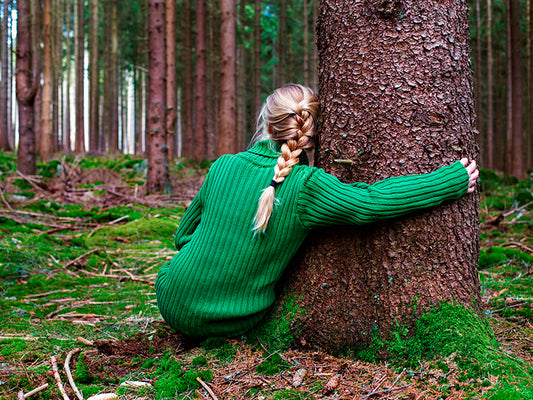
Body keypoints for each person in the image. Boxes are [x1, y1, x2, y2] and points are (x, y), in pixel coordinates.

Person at [155, 84, 479, 338]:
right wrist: (448, 180)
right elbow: (370, 202)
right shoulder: (306, 185)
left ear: (266, 125)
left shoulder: (223, 164)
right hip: (232, 317)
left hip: (171, 297)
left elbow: (183, 235)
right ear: (311, 130)